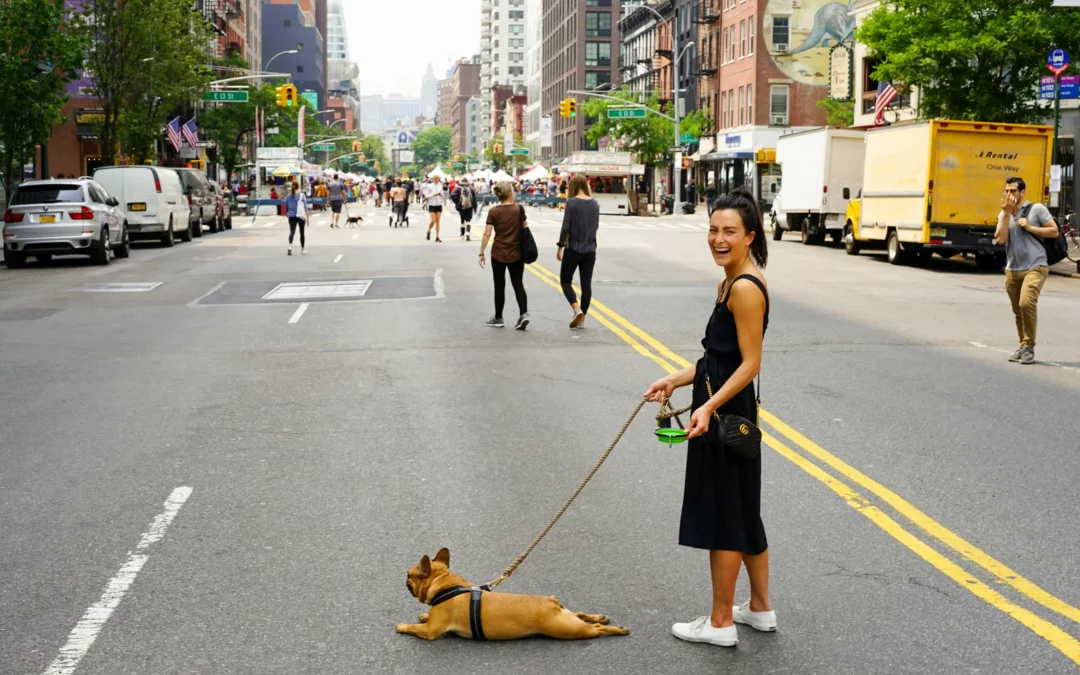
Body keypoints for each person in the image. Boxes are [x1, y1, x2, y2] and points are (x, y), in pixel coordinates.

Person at [644, 189, 773, 648]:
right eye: (714, 230)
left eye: (730, 232)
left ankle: (720, 622)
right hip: (721, 408)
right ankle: (759, 608)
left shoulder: (743, 288)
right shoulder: (730, 280)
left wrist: (708, 405)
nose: (719, 239)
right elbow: (718, 357)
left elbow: (750, 363)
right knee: (742, 511)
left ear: (749, 236)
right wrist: (676, 381)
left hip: (724, 417)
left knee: (723, 516)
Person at [993, 176, 1060, 365]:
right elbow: (1001, 239)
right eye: (1006, 191)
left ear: (1022, 192)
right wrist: (1006, 214)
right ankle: (1023, 346)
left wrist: (1031, 227)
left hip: (1036, 265)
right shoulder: (1003, 214)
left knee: (1026, 303)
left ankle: (1029, 346)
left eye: (1013, 191)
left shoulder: (1036, 209)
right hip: (1013, 268)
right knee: (1018, 310)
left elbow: (1054, 231)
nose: (1009, 194)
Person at [479, 182, 529, 330]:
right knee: (518, 284)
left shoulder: (493, 211)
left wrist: (481, 252)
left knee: (499, 286)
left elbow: (487, 233)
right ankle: (523, 314)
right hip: (517, 252)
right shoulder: (519, 209)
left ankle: (499, 317)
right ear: (510, 193)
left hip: (498, 253)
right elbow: (525, 229)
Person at [557, 174, 600, 329]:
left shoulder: (572, 203)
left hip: (573, 248)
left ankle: (576, 309)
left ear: (573, 186)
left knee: (565, 280)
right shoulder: (595, 203)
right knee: (586, 284)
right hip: (590, 249)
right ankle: (582, 319)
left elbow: (565, 226)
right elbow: (596, 226)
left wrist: (560, 245)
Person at [284, 181, 309, 256]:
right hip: (301, 216)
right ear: (299, 187)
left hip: (291, 216)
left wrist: (287, 213)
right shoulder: (302, 195)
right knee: (302, 232)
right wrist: (308, 218)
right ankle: (302, 249)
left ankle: (290, 247)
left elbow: (286, 207)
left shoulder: (288, 196)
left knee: (292, 232)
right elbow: (305, 207)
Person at [423, 174, 445, 242]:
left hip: (438, 204)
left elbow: (443, 195)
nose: (436, 180)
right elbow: (426, 195)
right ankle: (429, 230)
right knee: (433, 220)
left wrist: (441, 195)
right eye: (435, 179)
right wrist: (433, 195)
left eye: (437, 179)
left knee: (438, 221)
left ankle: (437, 236)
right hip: (432, 204)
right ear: (433, 179)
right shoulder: (429, 186)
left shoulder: (440, 186)